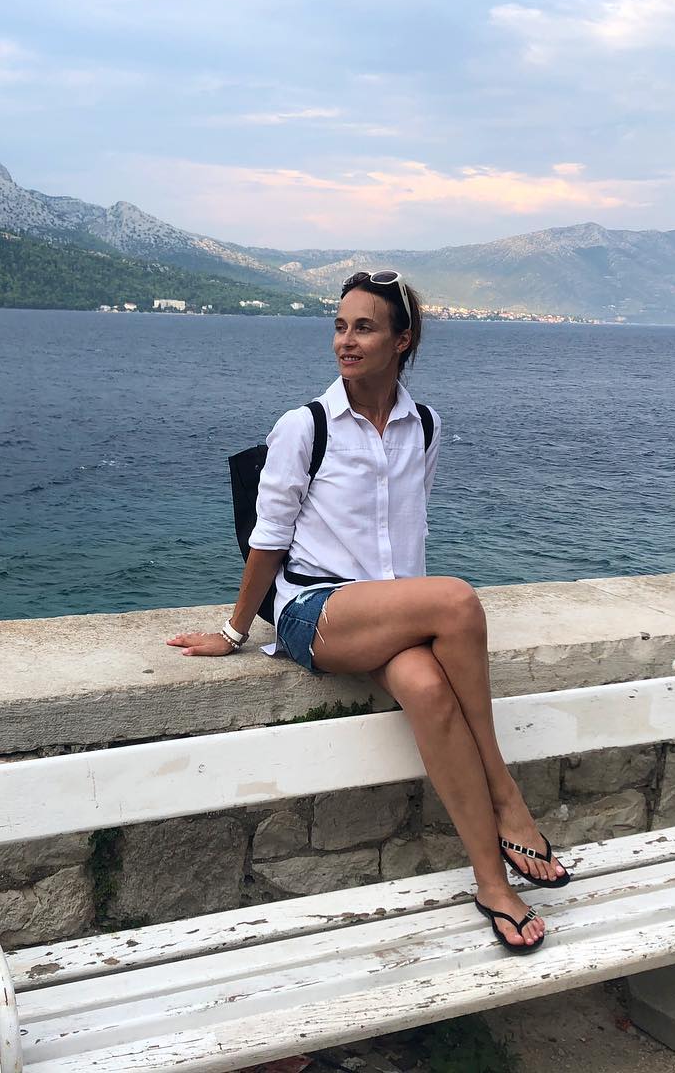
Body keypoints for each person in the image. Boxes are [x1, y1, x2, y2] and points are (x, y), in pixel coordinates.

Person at [167, 270, 569, 953]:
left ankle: (492, 884)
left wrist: (410, 620)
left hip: (384, 615)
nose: (345, 342)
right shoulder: (306, 426)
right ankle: (507, 794)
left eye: (364, 328)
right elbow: (269, 538)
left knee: (428, 690)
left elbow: (407, 529)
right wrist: (234, 632)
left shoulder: (425, 426)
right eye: (339, 326)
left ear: (401, 341)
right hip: (313, 611)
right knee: (457, 599)